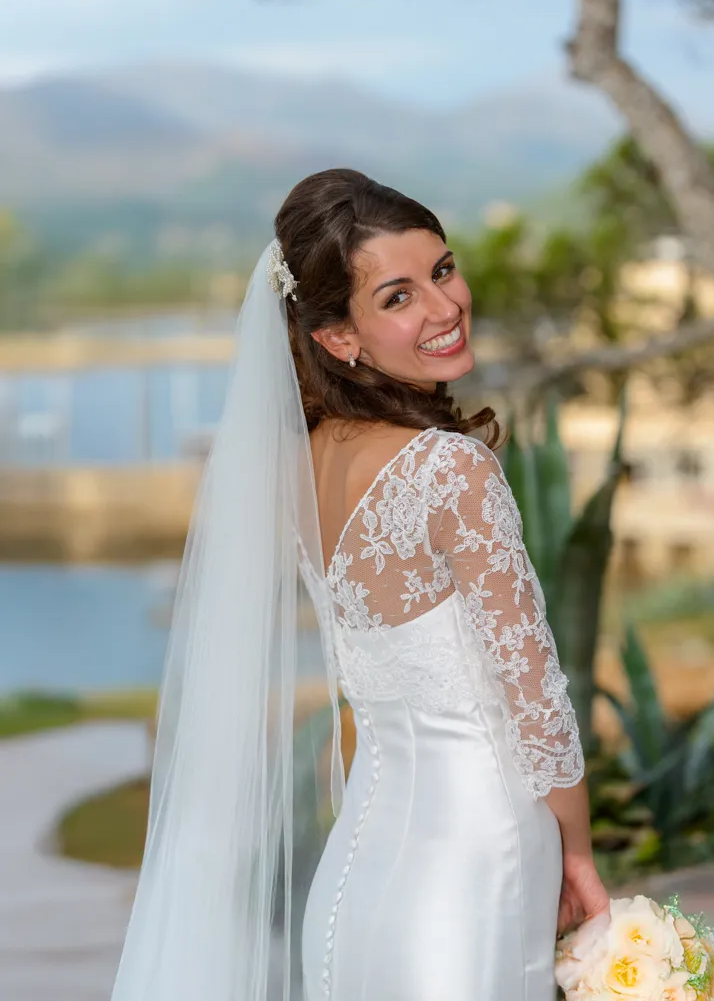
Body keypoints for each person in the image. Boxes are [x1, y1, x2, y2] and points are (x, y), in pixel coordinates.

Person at [108, 169, 609, 1001]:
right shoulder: (451, 468)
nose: (445, 309)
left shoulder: (299, 464)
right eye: (400, 297)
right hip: (476, 865)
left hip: (355, 882)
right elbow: (538, 704)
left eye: (443, 271)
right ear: (340, 336)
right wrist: (580, 856)